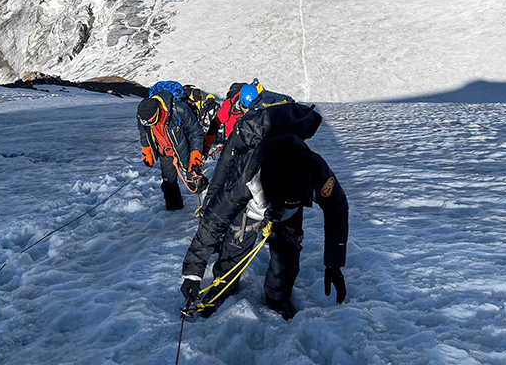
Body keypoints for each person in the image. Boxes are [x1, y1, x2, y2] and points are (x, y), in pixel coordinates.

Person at [180, 101, 348, 320]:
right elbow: (213, 221)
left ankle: (278, 297)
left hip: (286, 188)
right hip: (253, 202)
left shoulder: (318, 175)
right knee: (235, 245)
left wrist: (334, 264)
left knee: (288, 249)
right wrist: (193, 273)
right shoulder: (244, 179)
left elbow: (338, 211)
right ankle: (222, 290)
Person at [136, 85, 208, 211]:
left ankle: (210, 200)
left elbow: (196, 132)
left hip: (184, 148)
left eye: (152, 123)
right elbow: (144, 132)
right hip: (165, 152)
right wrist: (146, 150)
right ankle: (174, 211)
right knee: (169, 184)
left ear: (157, 113)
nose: (151, 126)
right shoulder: (143, 115)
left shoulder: (179, 109)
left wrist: (195, 155)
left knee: (193, 179)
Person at [203, 79, 264, 155]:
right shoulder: (228, 107)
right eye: (245, 107)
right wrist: (205, 149)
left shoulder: (258, 105)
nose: (247, 111)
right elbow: (214, 126)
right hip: (231, 139)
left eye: (250, 108)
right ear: (241, 103)